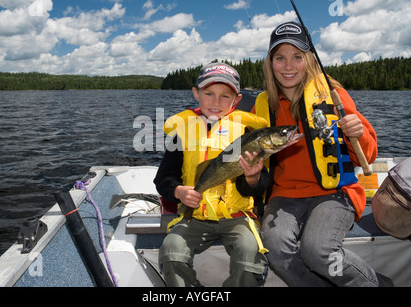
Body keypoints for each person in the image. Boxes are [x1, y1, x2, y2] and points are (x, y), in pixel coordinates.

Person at [253, 21, 393, 286]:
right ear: (270, 63)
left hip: (334, 192)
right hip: (285, 196)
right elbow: (245, 156)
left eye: (297, 57)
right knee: (274, 248)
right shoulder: (261, 105)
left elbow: (369, 156)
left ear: (309, 60)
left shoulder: (333, 94)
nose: (288, 65)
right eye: (279, 58)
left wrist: (358, 132)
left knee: (318, 251)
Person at [154, 62, 269, 287]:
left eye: (225, 96)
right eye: (208, 93)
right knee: (171, 251)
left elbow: (260, 185)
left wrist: (253, 178)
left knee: (249, 253)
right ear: (196, 93)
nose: (216, 102)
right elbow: (163, 178)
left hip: (237, 217)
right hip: (194, 216)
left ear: (236, 100)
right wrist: (178, 191)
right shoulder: (182, 133)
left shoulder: (246, 134)